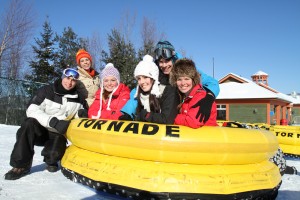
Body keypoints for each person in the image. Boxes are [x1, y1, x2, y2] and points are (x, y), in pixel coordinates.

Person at [4, 68, 88, 180]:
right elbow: (31, 110)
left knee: (54, 157)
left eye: (73, 80)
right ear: (62, 77)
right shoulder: (46, 90)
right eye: (67, 78)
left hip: (58, 133)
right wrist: (53, 122)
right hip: (40, 130)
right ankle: (20, 165)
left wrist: (80, 114)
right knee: (29, 123)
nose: (69, 82)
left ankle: (50, 160)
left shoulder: (78, 98)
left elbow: (77, 116)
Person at [120, 40, 220, 122]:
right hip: (163, 114)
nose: (164, 65)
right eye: (161, 62)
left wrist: (209, 98)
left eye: (167, 61)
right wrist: (128, 113)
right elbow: (137, 90)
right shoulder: (155, 71)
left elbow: (212, 82)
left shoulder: (184, 68)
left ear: (173, 58)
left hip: (181, 114)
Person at [170, 58, 218, 128]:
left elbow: (192, 122)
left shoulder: (200, 96)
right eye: (179, 79)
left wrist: (171, 117)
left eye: (187, 79)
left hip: (208, 137)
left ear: (193, 80)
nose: (183, 83)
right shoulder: (185, 98)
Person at [132, 55, 179, 124]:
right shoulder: (141, 94)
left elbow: (167, 119)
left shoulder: (168, 90)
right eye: (139, 78)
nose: (141, 82)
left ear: (153, 77)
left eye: (145, 77)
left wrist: (146, 115)